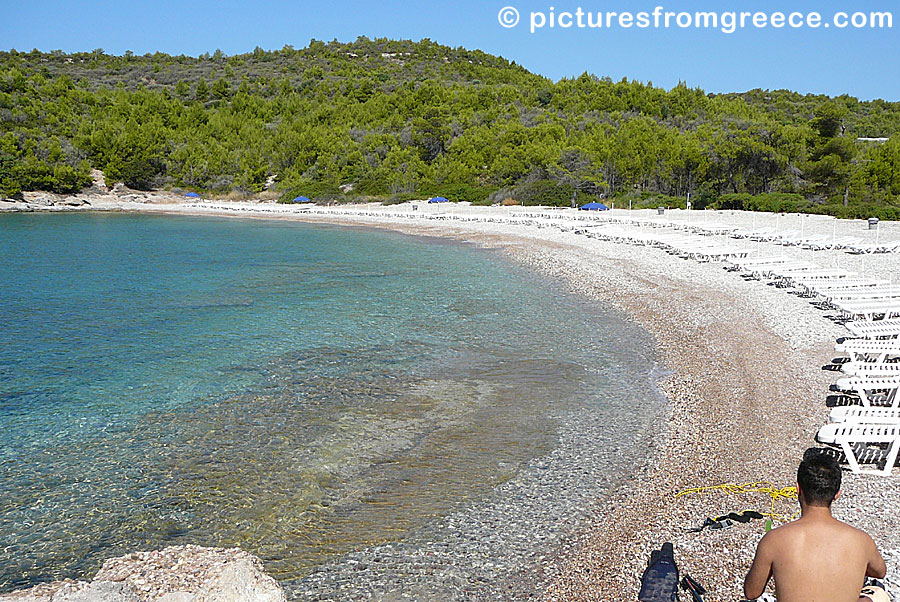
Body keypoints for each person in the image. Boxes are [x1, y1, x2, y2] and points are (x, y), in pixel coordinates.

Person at [743, 450, 888, 602]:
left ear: (798, 489)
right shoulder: (861, 540)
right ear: (837, 493)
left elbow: (752, 592)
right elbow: (880, 572)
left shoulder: (774, 539)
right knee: (876, 594)